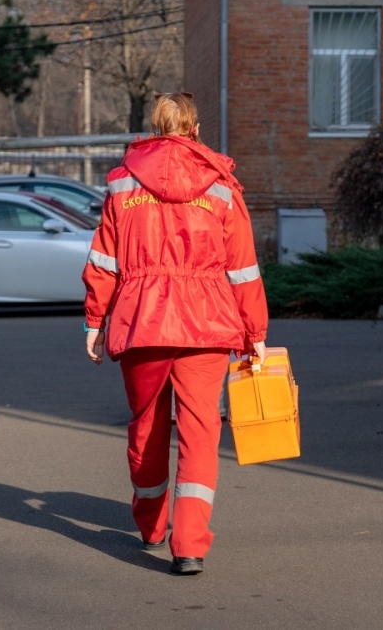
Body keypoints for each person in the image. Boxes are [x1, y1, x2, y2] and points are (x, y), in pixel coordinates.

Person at [82, 92, 269, 576]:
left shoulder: (123, 183)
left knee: (147, 426)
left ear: (156, 126)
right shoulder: (222, 185)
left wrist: (94, 321)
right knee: (201, 434)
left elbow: (104, 259)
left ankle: (151, 524)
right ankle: (189, 546)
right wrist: (256, 331)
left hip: (141, 319)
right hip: (207, 324)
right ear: (195, 128)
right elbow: (242, 267)